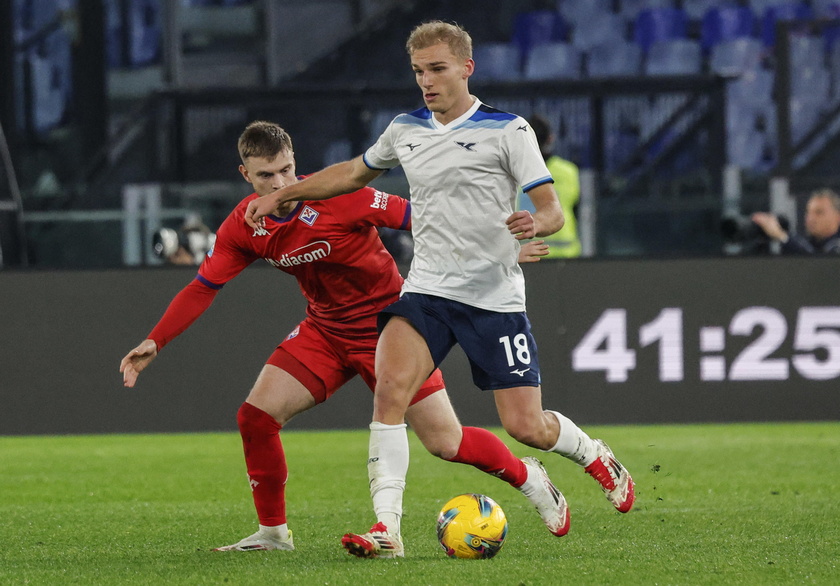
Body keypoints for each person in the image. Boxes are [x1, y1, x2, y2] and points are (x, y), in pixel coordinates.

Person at [244, 21, 635, 559]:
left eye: (437, 69)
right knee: (389, 393)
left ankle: (591, 453)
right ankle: (388, 531)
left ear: (466, 68)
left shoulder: (509, 130)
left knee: (526, 426)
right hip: (426, 293)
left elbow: (551, 208)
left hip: (494, 299)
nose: (426, 81)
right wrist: (288, 195)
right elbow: (353, 174)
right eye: (418, 72)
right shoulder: (405, 128)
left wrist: (536, 224)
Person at [119, 120, 558, 554]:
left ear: (296, 164)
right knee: (256, 417)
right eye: (266, 175)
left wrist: (501, 250)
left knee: (447, 443)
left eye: (287, 170)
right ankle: (273, 534)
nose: (279, 182)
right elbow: (203, 286)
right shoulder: (244, 225)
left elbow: (424, 219)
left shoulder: (344, 195)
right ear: (245, 175)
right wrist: (156, 340)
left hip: (391, 329)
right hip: (325, 331)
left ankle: (527, 476)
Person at [517, 114, 581, 258]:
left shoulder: (512, 172)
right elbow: (576, 208)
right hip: (565, 254)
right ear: (550, 138)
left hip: (526, 253)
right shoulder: (568, 171)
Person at [751, 188, 840, 254]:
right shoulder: (807, 243)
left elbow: (817, 265)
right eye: (808, 212)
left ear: (837, 216)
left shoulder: (836, 246)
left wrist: (781, 236)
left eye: (819, 212)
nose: (811, 218)